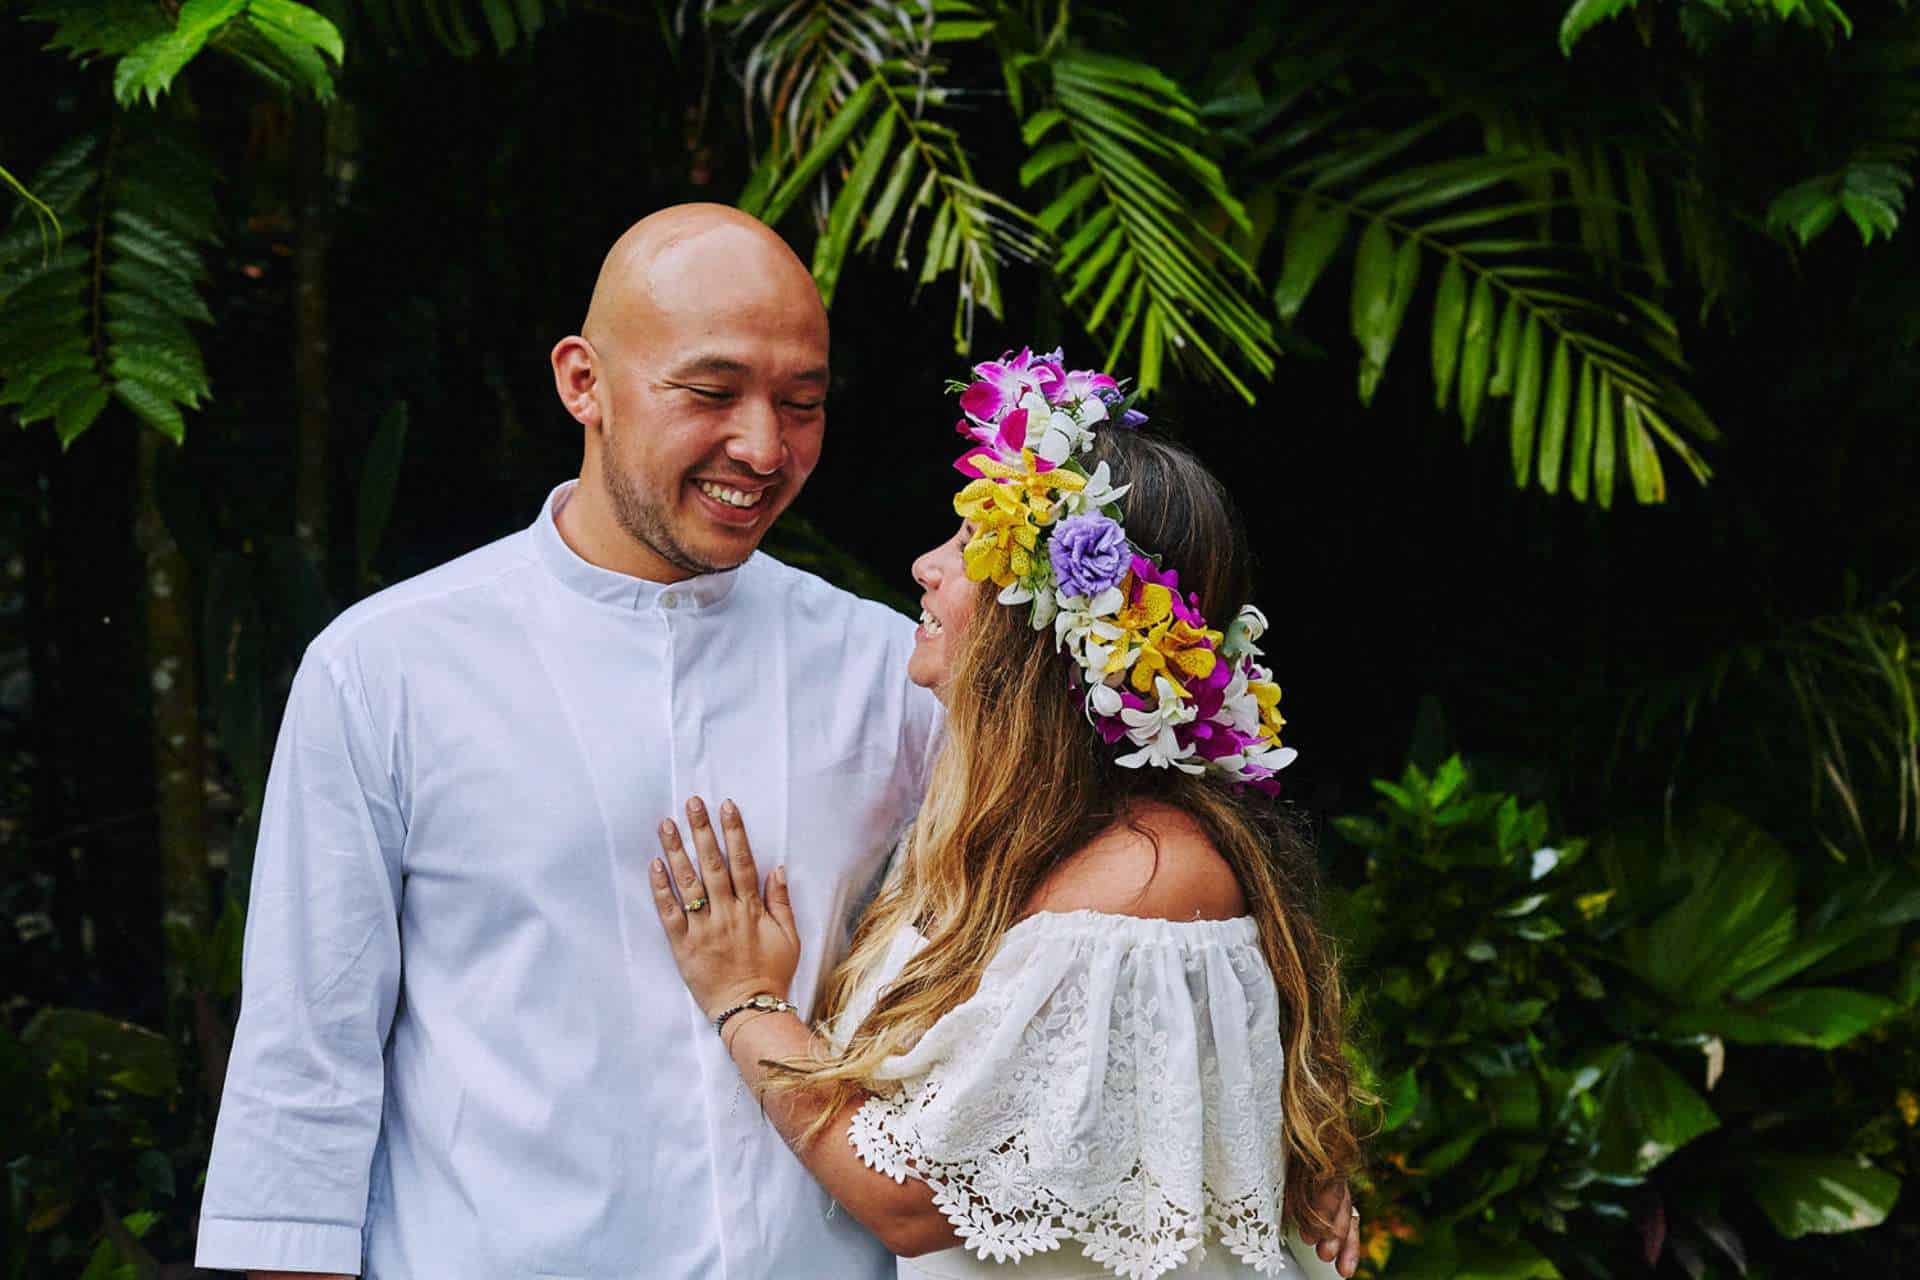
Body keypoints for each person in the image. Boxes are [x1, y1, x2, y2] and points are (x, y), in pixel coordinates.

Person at [195, 204, 943, 1279]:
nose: (764, 446)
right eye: (713, 391)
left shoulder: (894, 674)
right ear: (582, 381)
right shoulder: (387, 668)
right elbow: (306, 1075)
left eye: (803, 402)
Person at [648, 349, 1368, 1278]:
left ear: (1049, 629)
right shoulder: (1002, 828)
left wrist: (745, 999)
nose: (927, 568)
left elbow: (915, 1199)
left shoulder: (1148, 878)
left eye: (967, 550)